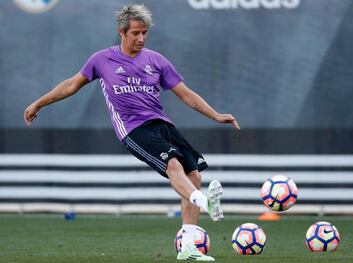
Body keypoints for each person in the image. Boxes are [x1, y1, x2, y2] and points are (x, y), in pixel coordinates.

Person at [24, 4, 240, 261]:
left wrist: (215, 115)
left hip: (162, 125)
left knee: (193, 175)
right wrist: (38, 103)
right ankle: (206, 203)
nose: (141, 38)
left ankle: (189, 249)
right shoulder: (101, 60)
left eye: (144, 33)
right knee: (172, 163)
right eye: (136, 33)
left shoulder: (156, 60)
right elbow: (71, 85)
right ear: (122, 33)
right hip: (133, 129)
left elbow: (186, 94)